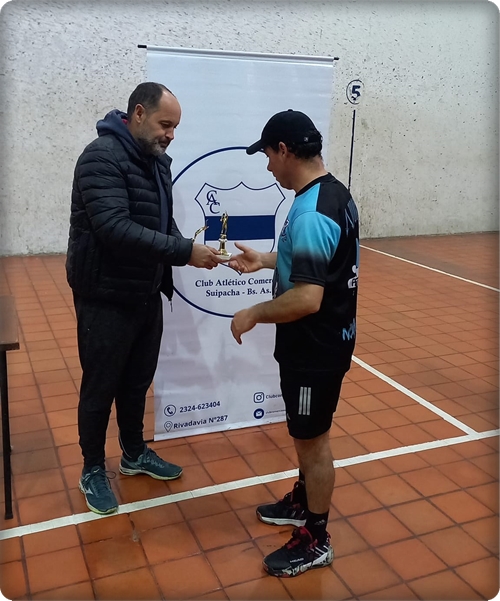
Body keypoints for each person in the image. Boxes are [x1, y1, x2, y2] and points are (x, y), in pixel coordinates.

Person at [66, 82, 220, 515]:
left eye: (175, 128)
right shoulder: (100, 158)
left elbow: (161, 223)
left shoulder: (157, 162)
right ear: (137, 113)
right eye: (164, 124)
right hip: (106, 295)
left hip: (146, 292)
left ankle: (133, 453)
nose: (170, 135)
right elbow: (114, 228)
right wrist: (182, 251)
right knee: (101, 385)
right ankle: (92, 469)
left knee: (136, 381)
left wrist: (193, 250)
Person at [229, 110, 359, 577]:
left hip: (314, 349)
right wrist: (266, 260)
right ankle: (303, 501)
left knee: (312, 442)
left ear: (284, 150)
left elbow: (307, 297)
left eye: (267, 155)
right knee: (307, 436)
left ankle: (316, 538)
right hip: (321, 343)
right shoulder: (331, 194)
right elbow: (314, 264)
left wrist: (252, 313)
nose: (267, 166)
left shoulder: (311, 212)